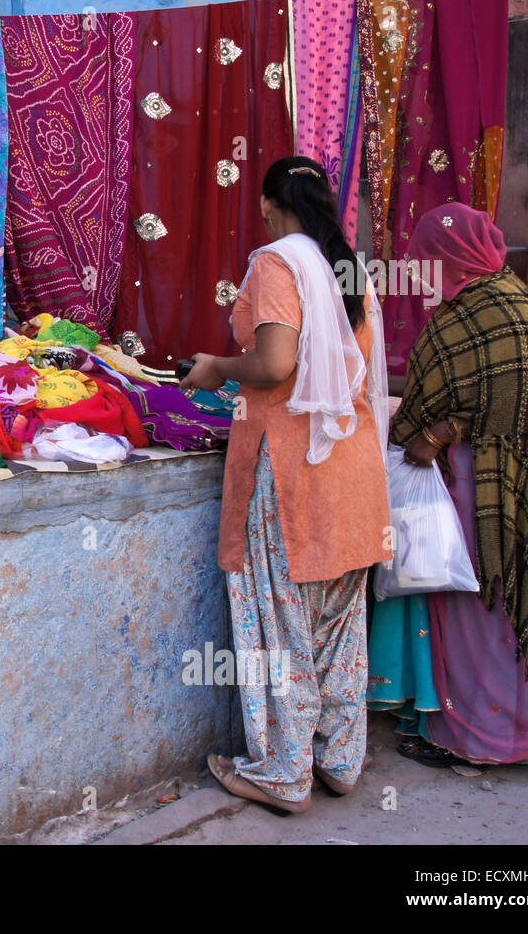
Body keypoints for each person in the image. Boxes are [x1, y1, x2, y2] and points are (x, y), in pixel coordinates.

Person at [181, 156, 391, 815]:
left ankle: (281, 772)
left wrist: (217, 366)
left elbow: (275, 363)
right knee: (337, 621)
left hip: (294, 471)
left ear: (271, 203)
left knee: (280, 619)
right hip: (354, 468)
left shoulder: (278, 262)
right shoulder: (347, 267)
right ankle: (337, 758)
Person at [368, 202, 528, 771]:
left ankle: (472, 735)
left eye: (429, 258)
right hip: (518, 490)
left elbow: (429, 418)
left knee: (474, 607)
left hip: (475, 488)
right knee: (511, 599)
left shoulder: (461, 319)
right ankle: (523, 730)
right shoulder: (518, 300)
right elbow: (524, 401)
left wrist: (437, 429)